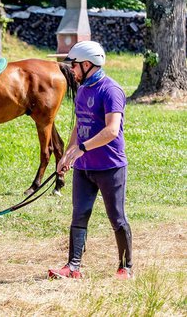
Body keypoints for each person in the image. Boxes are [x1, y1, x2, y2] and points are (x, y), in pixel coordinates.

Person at [49, 40, 133, 280]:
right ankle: (73, 266)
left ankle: (126, 267)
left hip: (110, 166)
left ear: (87, 64)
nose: (71, 71)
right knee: (79, 214)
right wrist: (68, 153)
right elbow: (80, 124)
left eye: (74, 66)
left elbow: (112, 130)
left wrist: (82, 149)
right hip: (84, 167)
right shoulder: (83, 88)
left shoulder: (111, 90)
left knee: (116, 217)